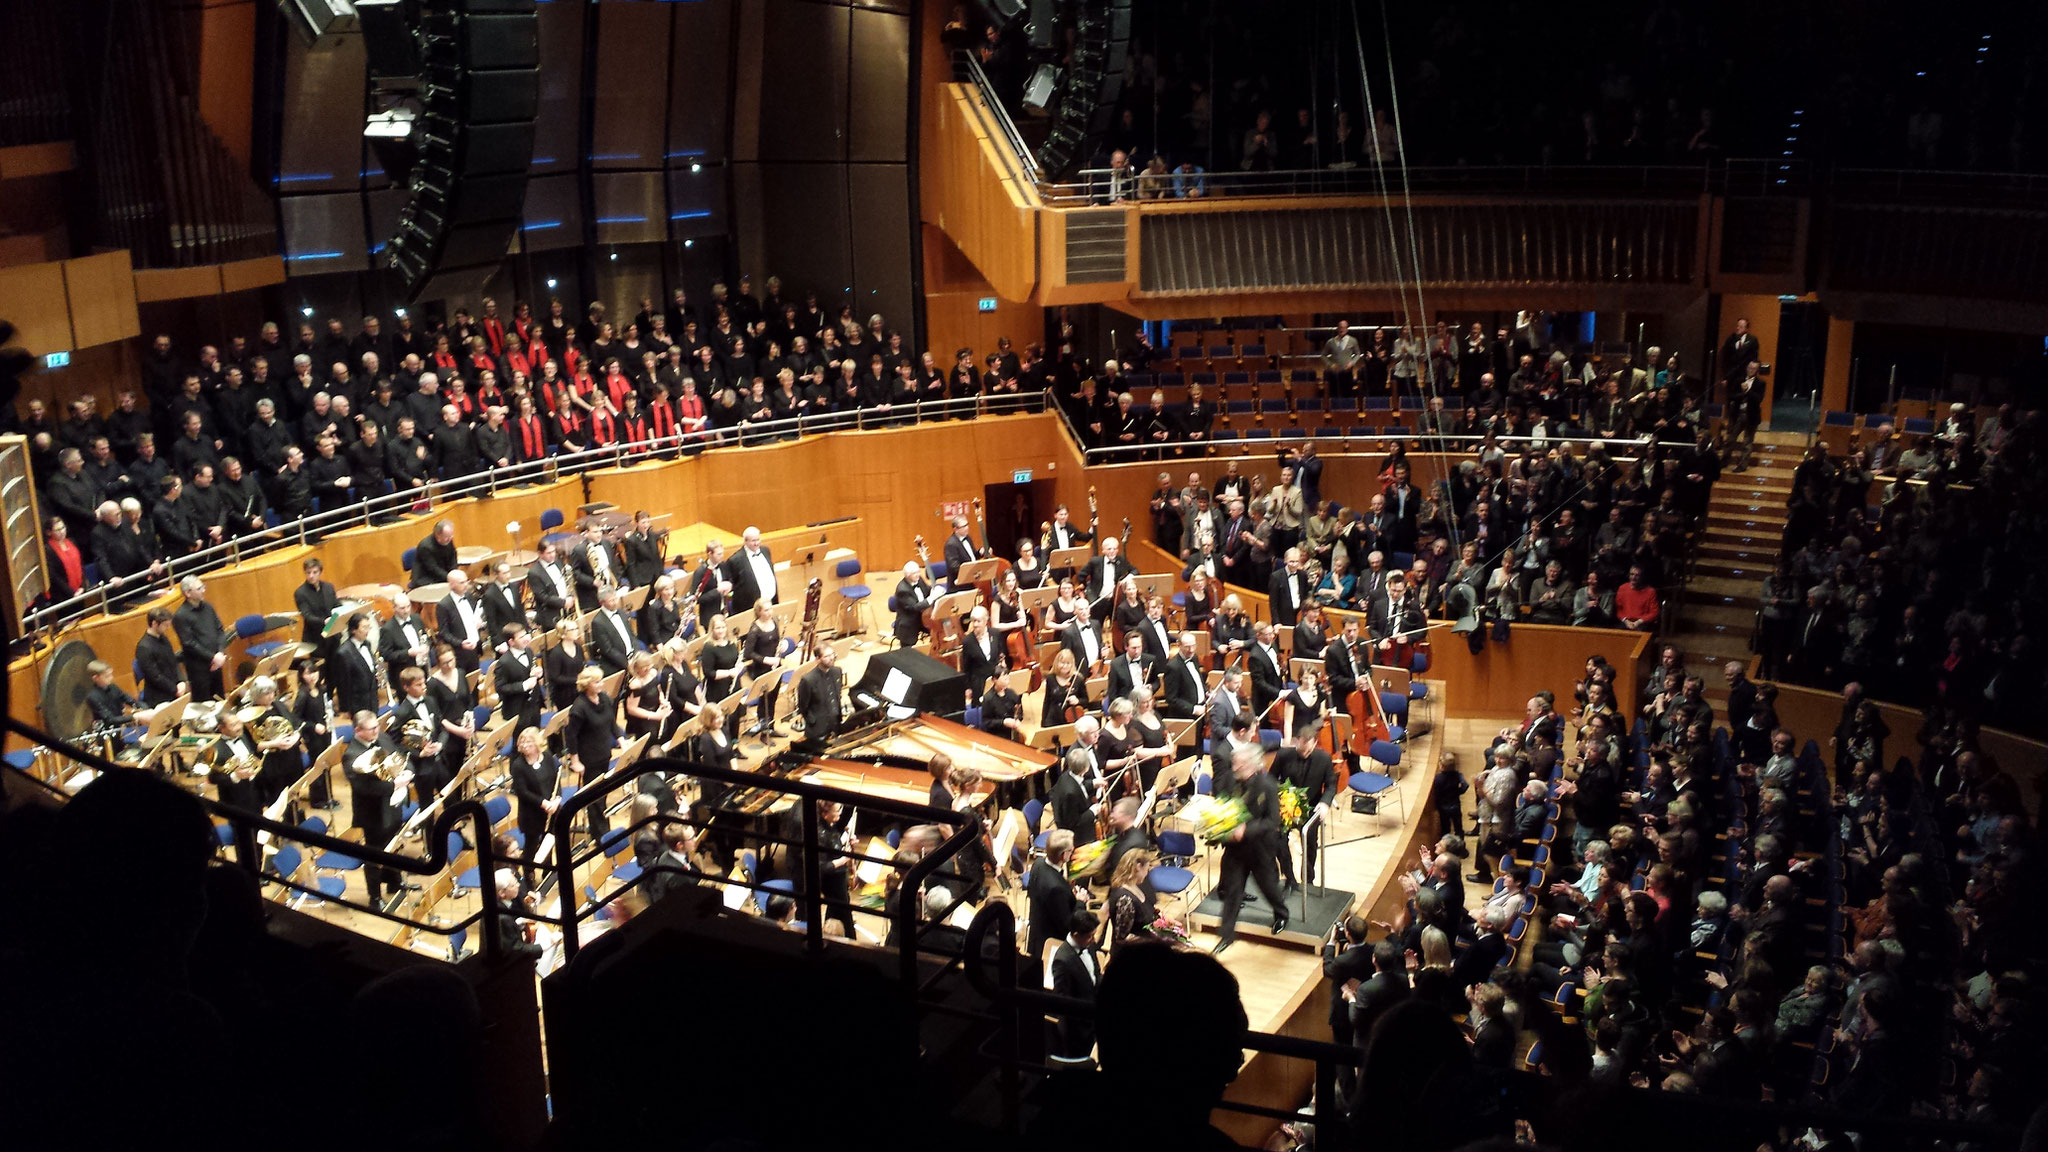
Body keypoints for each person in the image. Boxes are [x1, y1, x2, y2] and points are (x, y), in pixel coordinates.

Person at [1212, 744, 1289, 954]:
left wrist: (1245, 830)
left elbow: (1272, 821)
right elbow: (1221, 804)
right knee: (1232, 892)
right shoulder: (1229, 779)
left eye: (1238, 762)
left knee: (1269, 888)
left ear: (1252, 765)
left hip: (1260, 850)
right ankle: (1226, 936)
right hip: (1235, 850)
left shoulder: (1268, 785)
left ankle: (1282, 914)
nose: (1234, 765)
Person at [343, 710, 410, 911]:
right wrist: (395, 785)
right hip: (372, 811)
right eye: (371, 729)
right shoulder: (350, 754)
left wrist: (406, 771)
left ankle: (394, 882)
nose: (376, 731)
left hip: (392, 804)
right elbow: (362, 787)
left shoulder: (382, 737)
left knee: (394, 845)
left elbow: (397, 755)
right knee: (374, 854)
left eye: (377, 727)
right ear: (357, 730)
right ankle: (374, 897)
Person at [1271, 723, 1338, 892]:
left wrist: (1325, 803)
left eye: (1308, 750)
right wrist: (1279, 798)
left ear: (1315, 744)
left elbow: (1331, 785)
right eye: (1301, 749)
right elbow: (1271, 779)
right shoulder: (1284, 755)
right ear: (1296, 741)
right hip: (1286, 808)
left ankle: (1308, 881)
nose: (1304, 753)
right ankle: (1289, 878)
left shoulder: (1324, 758)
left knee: (1309, 844)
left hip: (1310, 809)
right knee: (1279, 840)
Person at [507, 726, 567, 885]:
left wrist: (557, 799)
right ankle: (528, 876)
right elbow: (522, 792)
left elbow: (557, 780)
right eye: (522, 742)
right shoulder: (518, 765)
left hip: (552, 810)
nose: (525, 745)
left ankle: (548, 873)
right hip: (531, 814)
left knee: (549, 842)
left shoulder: (547, 757)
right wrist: (543, 803)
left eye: (529, 742)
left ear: (537, 743)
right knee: (530, 847)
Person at [564, 667, 617, 838]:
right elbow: (571, 735)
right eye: (597, 682)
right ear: (587, 685)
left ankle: (601, 832)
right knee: (595, 799)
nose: (601, 684)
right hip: (588, 758)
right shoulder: (579, 707)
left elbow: (612, 723)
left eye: (601, 680)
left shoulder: (604, 698)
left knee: (603, 794)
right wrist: (575, 761)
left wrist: (622, 739)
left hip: (604, 753)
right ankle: (602, 836)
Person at [1049, 909, 1102, 1061]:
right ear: (1077, 935)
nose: (1093, 939)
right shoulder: (1062, 961)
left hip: (1093, 1016)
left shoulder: (1088, 944)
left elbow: (1095, 973)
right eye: (1090, 936)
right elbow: (1063, 1002)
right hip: (1078, 1031)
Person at [170, 577, 232, 701]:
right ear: (188, 593)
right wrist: (213, 657)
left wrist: (219, 653)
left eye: (203, 587)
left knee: (219, 698)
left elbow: (220, 630)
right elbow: (189, 644)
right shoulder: (180, 616)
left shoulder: (208, 607)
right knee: (204, 704)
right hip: (199, 669)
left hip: (216, 663)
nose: (203, 590)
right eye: (199, 589)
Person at [1026, 829, 1078, 972]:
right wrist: (1079, 901)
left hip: (1036, 930)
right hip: (1050, 943)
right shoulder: (1056, 888)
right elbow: (1066, 926)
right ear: (1064, 855)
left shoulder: (1038, 863)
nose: (1073, 852)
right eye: (1071, 850)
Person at [794, 641, 845, 753]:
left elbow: (837, 696)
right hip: (817, 729)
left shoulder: (837, 672)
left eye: (832, 654)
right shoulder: (808, 680)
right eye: (826, 656)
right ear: (817, 659)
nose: (831, 658)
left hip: (835, 724)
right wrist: (812, 721)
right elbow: (803, 706)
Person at [134, 607, 186, 705]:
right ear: (154, 623)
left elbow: (173, 662)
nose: (168, 628)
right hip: (158, 696)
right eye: (165, 625)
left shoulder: (164, 639)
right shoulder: (144, 647)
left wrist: (181, 681)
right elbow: (155, 677)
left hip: (173, 689)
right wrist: (174, 689)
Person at [892, 559, 934, 650]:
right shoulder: (902, 590)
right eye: (915, 573)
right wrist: (931, 598)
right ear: (907, 575)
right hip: (909, 623)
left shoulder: (919, 580)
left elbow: (928, 590)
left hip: (923, 617)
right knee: (907, 652)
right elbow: (915, 607)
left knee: (936, 628)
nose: (918, 574)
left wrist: (935, 590)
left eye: (918, 571)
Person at [411, 520, 457, 587]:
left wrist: (454, 573)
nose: (450, 538)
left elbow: (453, 556)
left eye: (451, 535)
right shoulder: (425, 546)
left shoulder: (448, 539)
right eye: (447, 536)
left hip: (442, 574)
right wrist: (450, 578)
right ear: (438, 535)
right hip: (426, 578)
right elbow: (433, 568)